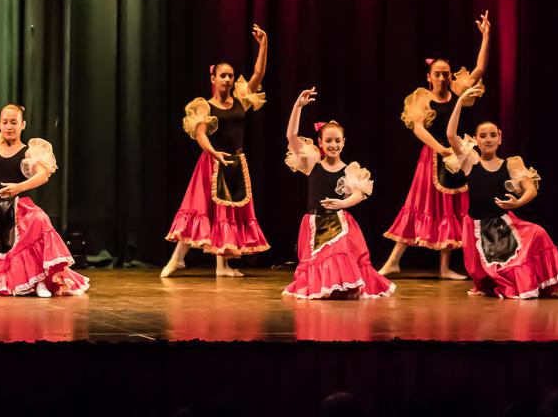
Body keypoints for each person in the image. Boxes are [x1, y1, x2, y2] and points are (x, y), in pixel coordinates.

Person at [0, 66, 88, 297]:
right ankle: (28, 282)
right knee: (4, 261)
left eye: (14, 122)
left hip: (20, 209)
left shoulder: (29, 151)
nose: (9, 126)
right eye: (5, 122)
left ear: (22, 125)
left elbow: (42, 174)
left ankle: (42, 280)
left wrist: (18, 188)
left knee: (40, 220)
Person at [379, 11, 491, 279]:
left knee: (451, 208)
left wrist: (486, 36)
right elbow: (417, 127)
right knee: (419, 206)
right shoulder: (423, 98)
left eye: (446, 74)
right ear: (429, 77)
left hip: (455, 156)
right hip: (431, 158)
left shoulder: (457, 93)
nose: (442, 78)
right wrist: (440, 149)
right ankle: (394, 260)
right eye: (437, 74)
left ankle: (444, 267)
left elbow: (479, 70)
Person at [445, 85, 558, 298]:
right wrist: (460, 102)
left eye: (492, 135)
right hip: (478, 228)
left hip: (504, 225)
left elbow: (531, 189)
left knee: (538, 232)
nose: (488, 139)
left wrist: (517, 203)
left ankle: (541, 280)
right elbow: (451, 135)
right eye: (483, 135)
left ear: (500, 137)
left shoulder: (511, 164)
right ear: (476, 140)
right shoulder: (471, 162)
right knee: (494, 277)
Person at [162, 25, 271, 277]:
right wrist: (214, 154)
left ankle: (223, 265)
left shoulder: (241, 100)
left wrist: (263, 44)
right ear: (213, 79)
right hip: (212, 163)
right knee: (200, 211)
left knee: (228, 215)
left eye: (230, 76)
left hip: (235, 162)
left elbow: (258, 73)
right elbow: (200, 134)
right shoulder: (205, 107)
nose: (227, 79)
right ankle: (176, 259)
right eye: (223, 76)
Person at [282, 88, 394, 299]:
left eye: (337, 141)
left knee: (338, 253)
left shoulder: (349, 169)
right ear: (320, 143)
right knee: (318, 260)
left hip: (339, 223)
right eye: (329, 141)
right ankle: (327, 285)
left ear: (343, 142)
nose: (333, 145)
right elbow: (291, 136)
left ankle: (343, 285)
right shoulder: (311, 163)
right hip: (314, 222)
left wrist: (342, 204)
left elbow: (359, 194)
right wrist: (297, 107)